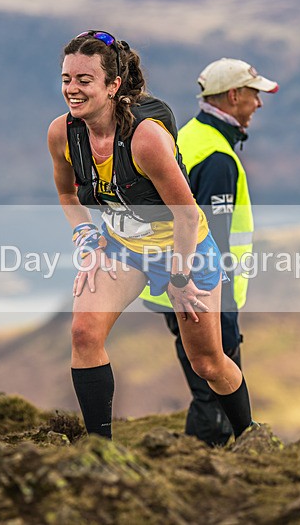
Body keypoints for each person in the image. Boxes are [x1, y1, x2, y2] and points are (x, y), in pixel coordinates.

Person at [47, 31, 253, 441]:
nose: (72, 89)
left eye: (85, 80)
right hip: (123, 248)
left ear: (112, 86)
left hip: (184, 248)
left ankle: (252, 437)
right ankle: (100, 451)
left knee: (208, 363)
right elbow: (68, 195)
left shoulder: (146, 139)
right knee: (84, 334)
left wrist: (178, 277)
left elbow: (188, 216)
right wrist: (86, 237)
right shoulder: (62, 133)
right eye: (67, 78)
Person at [140, 58, 278, 446]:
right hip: (201, 293)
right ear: (233, 96)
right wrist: (224, 313)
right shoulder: (217, 159)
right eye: (254, 94)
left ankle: (192, 464)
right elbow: (211, 242)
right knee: (216, 395)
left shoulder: (188, 136)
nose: (258, 103)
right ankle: (202, 468)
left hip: (172, 286)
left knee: (206, 388)